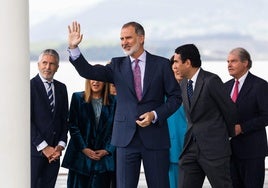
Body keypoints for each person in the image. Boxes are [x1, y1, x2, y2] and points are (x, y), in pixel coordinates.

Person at [67, 21, 182, 188]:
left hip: (155, 138)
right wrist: (74, 48)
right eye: (121, 38)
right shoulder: (116, 65)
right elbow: (88, 71)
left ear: (141, 38)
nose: (124, 42)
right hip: (125, 140)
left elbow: (175, 97)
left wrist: (155, 115)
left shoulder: (162, 64)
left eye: (128, 37)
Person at [173, 44, 238, 188]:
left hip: (214, 150)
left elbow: (230, 110)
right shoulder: (184, 84)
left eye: (177, 61)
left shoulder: (211, 80)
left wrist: (221, 137)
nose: (174, 65)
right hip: (190, 148)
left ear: (188, 63)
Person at [224, 47, 268, 188]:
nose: (229, 65)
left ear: (245, 63)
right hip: (229, 152)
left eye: (234, 61)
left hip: (252, 152)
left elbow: (266, 116)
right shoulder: (225, 87)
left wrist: (242, 128)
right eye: (228, 61)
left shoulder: (260, 85)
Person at [62, 79, 116, 188]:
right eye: (92, 79)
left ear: (105, 82)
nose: (95, 82)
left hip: (103, 159)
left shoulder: (114, 101)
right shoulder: (77, 98)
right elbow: (73, 126)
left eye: (100, 79)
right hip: (80, 158)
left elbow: (116, 128)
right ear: (88, 81)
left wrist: (107, 150)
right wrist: (84, 148)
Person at [30, 49, 68, 188]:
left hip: (55, 155)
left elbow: (64, 120)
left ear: (57, 67)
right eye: (44, 63)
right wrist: (44, 147)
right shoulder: (29, 87)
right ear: (38, 64)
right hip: (35, 152)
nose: (48, 67)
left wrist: (60, 146)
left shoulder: (61, 88)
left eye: (52, 64)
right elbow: (27, 122)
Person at [167, 55, 187, 188]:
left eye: (179, 63)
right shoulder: (163, 91)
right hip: (171, 148)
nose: (176, 67)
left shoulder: (196, 88)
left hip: (193, 147)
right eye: (174, 64)